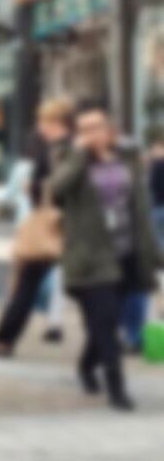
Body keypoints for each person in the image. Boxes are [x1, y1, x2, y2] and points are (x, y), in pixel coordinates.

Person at [50, 103, 161, 411]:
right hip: (89, 256)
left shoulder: (128, 159)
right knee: (106, 322)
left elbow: (140, 207)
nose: (91, 134)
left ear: (109, 129)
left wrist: (152, 252)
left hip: (126, 252)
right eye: (84, 129)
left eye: (96, 127)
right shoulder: (70, 159)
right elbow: (56, 192)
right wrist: (78, 155)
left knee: (106, 321)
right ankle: (117, 388)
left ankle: (87, 365)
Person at [0, 98, 73, 357]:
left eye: (44, 121)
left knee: (30, 284)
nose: (40, 126)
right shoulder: (61, 148)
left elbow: (53, 186)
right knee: (33, 283)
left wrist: (31, 189)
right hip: (59, 225)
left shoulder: (57, 150)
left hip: (54, 225)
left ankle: (3, 338)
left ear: (56, 123)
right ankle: (4, 336)